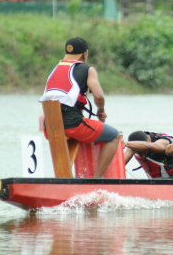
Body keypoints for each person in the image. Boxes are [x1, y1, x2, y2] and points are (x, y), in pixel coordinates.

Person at [40, 37, 119, 178]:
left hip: (49, 126)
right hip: (72, 124)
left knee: (82, 129)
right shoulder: (87, 69)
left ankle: (64, 179)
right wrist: (101, 110)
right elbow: (99, 96)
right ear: (84, 54)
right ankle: (96, 180)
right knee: (114, 136)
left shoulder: (55, 69)